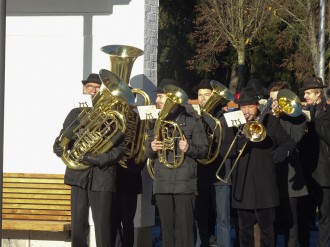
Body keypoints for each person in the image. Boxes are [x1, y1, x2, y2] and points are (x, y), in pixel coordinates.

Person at [53, 73, 127, 247]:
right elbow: (64, 137)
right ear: (83, 89)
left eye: (96, 87)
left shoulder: (113, 116)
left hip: (102, 175)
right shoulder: (75, 113)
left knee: (104, 224)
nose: (93, 90)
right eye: (89, 87)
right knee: (78, 223)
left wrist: (99, 158)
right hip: (78, 175)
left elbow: (120, 149)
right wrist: (57, 147)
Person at [146, 78, 209, 247]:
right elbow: (148, 153)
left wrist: (189, 148)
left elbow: (204, 151)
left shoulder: (192, 121)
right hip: (162, 183)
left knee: (186, 229)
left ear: (172, 98)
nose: (157, 101)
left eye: (160, 97)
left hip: (185, 184)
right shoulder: (157, 122)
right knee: (166, 230)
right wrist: (152, 147)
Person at [231, 86, 296, 247]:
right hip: (243, 183)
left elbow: (289, 142)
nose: (246, 110)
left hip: (265, 184)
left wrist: (282, 151)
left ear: (257, 106)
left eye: (250, 106)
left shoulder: (271, 121)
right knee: (244, 229)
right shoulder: (234, 122)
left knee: (267, 229)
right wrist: (239, 141)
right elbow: (226, 149)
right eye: (243, 106)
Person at [192, 79, 234, 247]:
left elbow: (229, 146)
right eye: (200, 95)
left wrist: (208, 120)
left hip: (221, 174)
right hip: (201, 174)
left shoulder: (225, 118)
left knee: (222, 219)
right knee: (201, 216)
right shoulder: (195, 118)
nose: (203, 99)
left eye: (207, 95)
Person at [268, 81, 309, 246]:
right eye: (271, 100)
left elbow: (293, 141)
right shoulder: (266, 117)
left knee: (290, 224)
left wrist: (277, 119)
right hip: (270, 174)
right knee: (270, 223)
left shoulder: (299, 119)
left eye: (277, 100)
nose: (274, 104)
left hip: (290, 176)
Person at [299, 77, 330, 247]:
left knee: (325, 216)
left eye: (309, 92)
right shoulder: (303, 110)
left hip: (324, 171)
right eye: (305, 92)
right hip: (305, 170)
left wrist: (315, 120)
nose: (305, 95)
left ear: (318, 93)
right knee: (303, 215)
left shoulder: (328, 110)